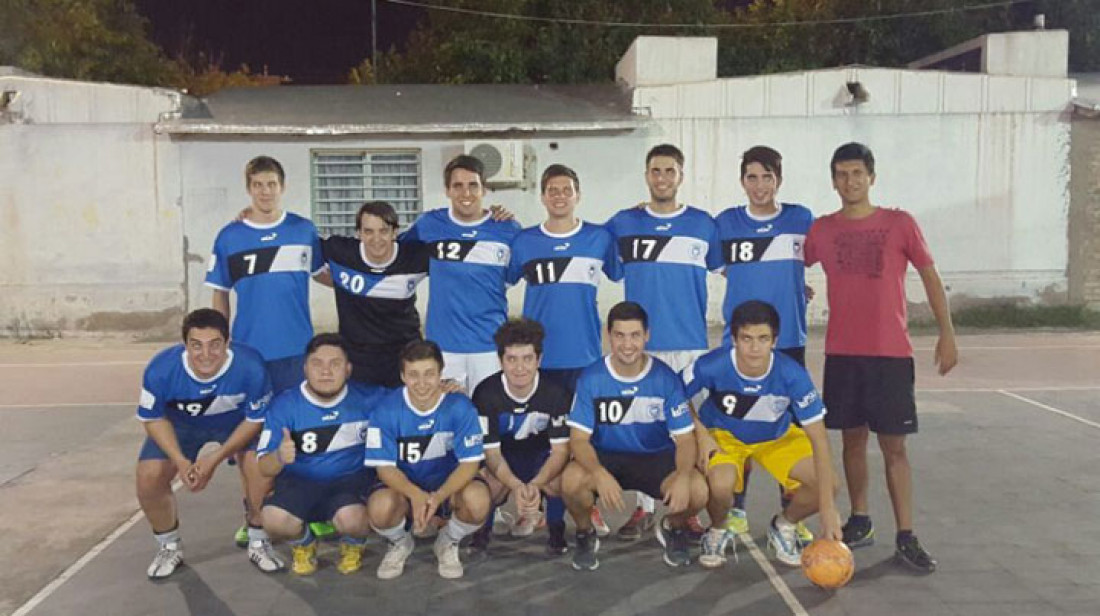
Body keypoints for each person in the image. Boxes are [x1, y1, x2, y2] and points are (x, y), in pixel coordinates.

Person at [804, 142, 958, 573]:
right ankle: (860, 518)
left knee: (894, 448)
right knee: (852, 440)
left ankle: (906, 535)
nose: (849, 181)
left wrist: (947, 333)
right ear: (833, 181)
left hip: (890, 355)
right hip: (842, 354)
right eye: (841, 174)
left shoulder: (899, 223)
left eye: (857, 173)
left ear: (872, 176)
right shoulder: (822, 230)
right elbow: (789, 264)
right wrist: (799, 288)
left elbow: (930, 275)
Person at [205, 155, 331, 546]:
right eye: (257, 184)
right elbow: (219, 295)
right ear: (248, 188)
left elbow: (329, 275)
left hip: (297, 355)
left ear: (283, 186)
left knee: (300, 435)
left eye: (271, 184)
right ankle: (254, 515)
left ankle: (309, 510)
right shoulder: (230, 236)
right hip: (249, 357)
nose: (265, 191)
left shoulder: (303, 230)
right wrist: (220, 348)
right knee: (249, 443)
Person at [604, 144, 715, 539]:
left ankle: (689, 508)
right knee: (645, 429)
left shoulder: (704, 225)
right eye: (655, 171)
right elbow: (580, 240)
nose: (662, 178)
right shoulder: (623, 223)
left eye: (669, 171)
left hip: (689, 344)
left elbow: (730, 266)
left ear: (680, 176)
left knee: (691, 428)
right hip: (640, 344)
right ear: (647, 175)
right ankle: (644, 508)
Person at [684, 300, 841, 569]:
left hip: (775, 436)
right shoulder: (712, 365)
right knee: (721, 486)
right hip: (724, 435)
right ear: (733, 339)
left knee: (828, 485)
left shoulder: (792, 374)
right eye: (746, 338)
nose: (754, 348)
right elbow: (673, 396)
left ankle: (785, 524)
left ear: (774, 341)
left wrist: (827, 509)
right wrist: (700, 434)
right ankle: (718, 529)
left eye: (762, 339)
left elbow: (819, 440)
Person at [711, 146, 815, 540]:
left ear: (779, 180)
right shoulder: (725, 223)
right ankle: (736, 510)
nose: (759, 185)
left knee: (786, 429)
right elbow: (721, 267)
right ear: (742, 181)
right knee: (738, 427)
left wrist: (792, 285)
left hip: (787, 343)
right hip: (739, 347)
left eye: (767, 177)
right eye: (751, 177)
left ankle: (792, 513)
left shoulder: (800, 219)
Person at [561, 302, 708, 571]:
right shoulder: (591, 378)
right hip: (607, 456)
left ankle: (673, 528)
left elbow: (686, 440)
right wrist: (598, 473)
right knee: (571, 482)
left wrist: (684, 477)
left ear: (647, 335)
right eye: (620, 335)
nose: (627, 344)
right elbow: (579, 440)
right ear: (609, 335)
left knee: (697, 490)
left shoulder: (665, 379)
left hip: (655, 457)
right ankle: (584, 534)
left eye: (634, 335)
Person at [135, 308, 280, 579]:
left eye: (215, 345)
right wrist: (180, 460)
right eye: (196, 345)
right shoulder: (161, 369)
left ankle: (258, 537)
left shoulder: (251, 366)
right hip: (182, 426)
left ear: (227, 343)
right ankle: (169, 545)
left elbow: (254, 420)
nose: (205, 354)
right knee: (149, 476)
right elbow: (153, 419)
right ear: (185, 344)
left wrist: (215, 458)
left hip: (235, 424)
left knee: (262, 468)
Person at [256, 334, 382, 576]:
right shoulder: (284, 405)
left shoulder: (371, 399)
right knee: (273, 519)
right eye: (317, 364)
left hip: (349, 483)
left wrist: (445, 388)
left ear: (348, 369)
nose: (326, 371)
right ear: (305, 368)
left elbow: (414, 397)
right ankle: (304, 544)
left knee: (356, 519)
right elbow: (264, 467)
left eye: (334, 364)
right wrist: (279, 456)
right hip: (299, 483)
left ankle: (353, 543)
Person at [364, 340, 490, 579]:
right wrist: (415, 495)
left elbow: (469, 463)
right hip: (405, 487)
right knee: (380, 508)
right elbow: (384, 467)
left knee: (478, 501)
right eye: (413, 375)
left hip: (448, 487)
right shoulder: (386, 409)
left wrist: (438, 497)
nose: (422, 383)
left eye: (429, 374)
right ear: (402, 376)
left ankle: (448, 541)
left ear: (441, 373)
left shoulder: (461, 407)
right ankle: (400, 542)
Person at [401, 155, 522, 392]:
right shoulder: (429, 225)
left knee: (488, 419)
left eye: (473, 185)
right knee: (448, 422)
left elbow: (509, 279)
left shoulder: (508, 230)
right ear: (447, 190)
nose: (466, 193)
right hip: (444, 347)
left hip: (490, 346)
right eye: (458, 185)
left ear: (484, 189)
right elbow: (394, 255)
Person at [508, 164, 621, 393]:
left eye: (567, 190)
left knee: (581, 426)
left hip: (584, 354)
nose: (560, 196)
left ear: (577, 196)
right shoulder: (524, 240)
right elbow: (502, 283)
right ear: (542, 197)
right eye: (553, 191)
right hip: (537, 356)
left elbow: (618, 274)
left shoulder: (599, 238)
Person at [470, 318, 572, 555]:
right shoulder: (486, 393)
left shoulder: (556, 393)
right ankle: (481, 532)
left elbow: (560, 451)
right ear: (500, 360)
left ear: (539, 359)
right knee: (487, 485)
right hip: (504, 457)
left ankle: (556, 527)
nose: (519, 368)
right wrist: (515, 485)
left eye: (527, 359)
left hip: (541, 457)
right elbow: (492, 453)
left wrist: (535, 484)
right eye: (512, 359)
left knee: (562, 479)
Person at [321, 201, 429, 388]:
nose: (376, 238)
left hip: (404, 353)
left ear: (395, 232)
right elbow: (300, 241)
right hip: (358, 357)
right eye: (368, 231)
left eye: (383, 230)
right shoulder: (339, 251)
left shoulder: (416, 256)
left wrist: (490, 217)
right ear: (359, 233)